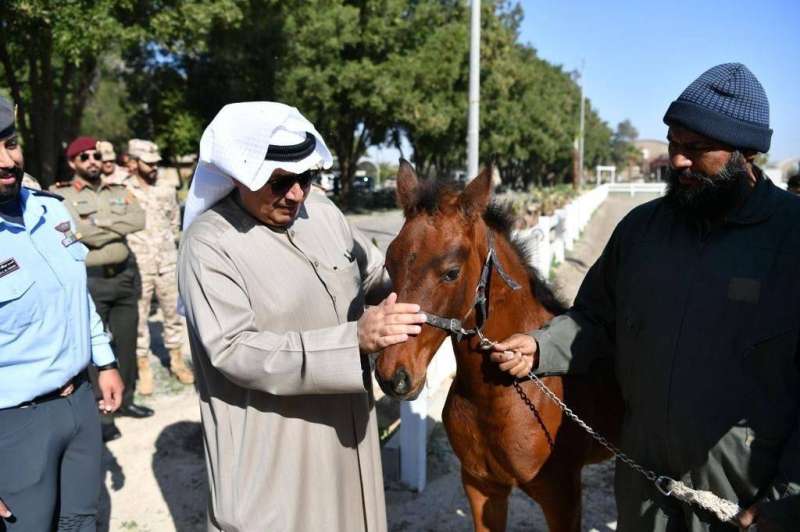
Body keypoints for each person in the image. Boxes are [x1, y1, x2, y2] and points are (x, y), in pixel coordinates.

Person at [491, 63, 799, 531]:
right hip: (644, 484)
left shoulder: (791, 237)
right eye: (674, 145)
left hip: (745, 497)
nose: (676, 161)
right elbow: (595, 320)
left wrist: (791, 499)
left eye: (695, 149)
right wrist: (540, 345)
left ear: (746, 152)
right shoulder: (641, 231)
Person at [177, 102, 426, 531]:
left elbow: (372, 276)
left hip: (348, 436)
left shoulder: (322, 213)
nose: (295, 194)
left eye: (305, 179)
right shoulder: (209, 245)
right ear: (241, 174)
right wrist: (353, 341)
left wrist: (436, 272)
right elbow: (234, 350)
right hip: (275, 453)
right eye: (280, 182)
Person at [0, 95, 124, 530]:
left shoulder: (50, 210)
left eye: (10, 143)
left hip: (79, 403)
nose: (6, 160)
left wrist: (104, 359)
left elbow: (78, 296)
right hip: (14, 420)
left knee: (81, 522)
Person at [52, 136, 152, 442]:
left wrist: (96, 224)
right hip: (90, 278)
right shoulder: (60, 195)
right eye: (84, 157)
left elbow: (138, 220)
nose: (93, 161)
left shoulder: (119, 191)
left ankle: (128, 398)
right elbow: (72, 233)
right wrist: (107, 227)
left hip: (123, 277)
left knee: (126, 340)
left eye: (96, 155)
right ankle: (102, 412)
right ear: (73, 163)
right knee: (94, 348)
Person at [124, 138, 194, 394]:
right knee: (140, 317)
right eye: (148, 163)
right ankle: (143, 366)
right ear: (134, 162)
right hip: (139, 265)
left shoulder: (166, 189)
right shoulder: (123, 189)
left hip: (166, 261)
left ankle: (176, 359)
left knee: (173, 314)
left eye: (156, 163)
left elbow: (175, 222)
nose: (153, 167)